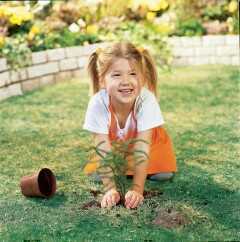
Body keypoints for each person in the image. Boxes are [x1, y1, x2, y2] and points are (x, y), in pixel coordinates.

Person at [83, 42, 177, 209]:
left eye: (133, 74)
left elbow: (143, 146)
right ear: (102, 80)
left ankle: (132, 170)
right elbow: (103, 149)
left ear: (143, 78)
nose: (125, 81)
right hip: (117, 149)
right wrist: (110, 189)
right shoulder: (98, 103)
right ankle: (125, 169)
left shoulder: (146, 100)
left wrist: (137, 189)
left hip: (150, 146)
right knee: (97, 175)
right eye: (116, 75)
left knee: (163, 175)